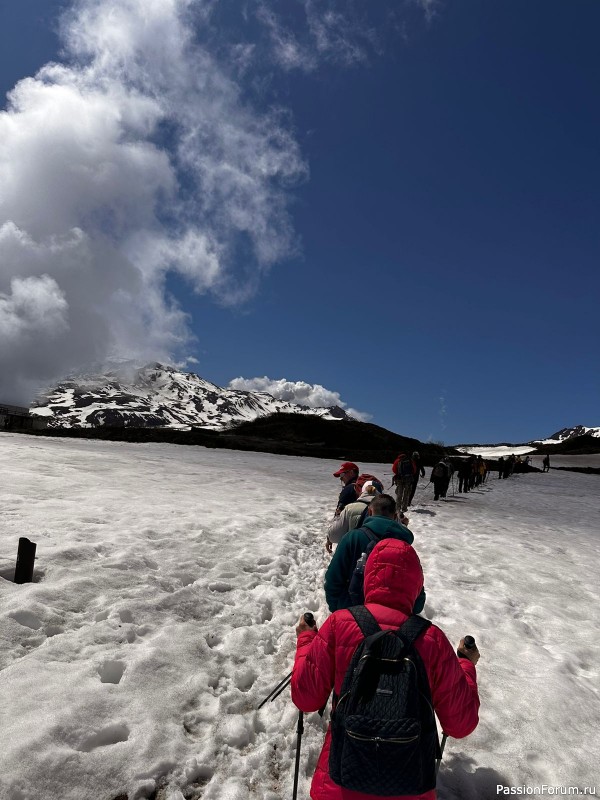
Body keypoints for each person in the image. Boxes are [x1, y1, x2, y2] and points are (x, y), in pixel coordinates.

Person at [292, 538, 481, 800]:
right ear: (416, 585)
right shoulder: (432, 640)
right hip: (410, 787)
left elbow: (305, 697)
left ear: (369, 576)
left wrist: (306, 639)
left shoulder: (340, 624)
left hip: (340, 785)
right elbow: (461, 723)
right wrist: (465, 665)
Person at [324, 493, 423, 612]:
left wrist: (339, 609)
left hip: (354, 614)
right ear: (395, 515)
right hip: (395, 620)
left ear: (370, 512)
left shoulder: (352, 538)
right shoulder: (406, 548)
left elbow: (332, 579)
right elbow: (418, 595)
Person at [326, 480, 384, 552]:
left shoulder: (350, 508)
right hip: (380, 555)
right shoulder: (388, 509)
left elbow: (334, 536)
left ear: (361, 492)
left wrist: (337, 517)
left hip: (356, 555)